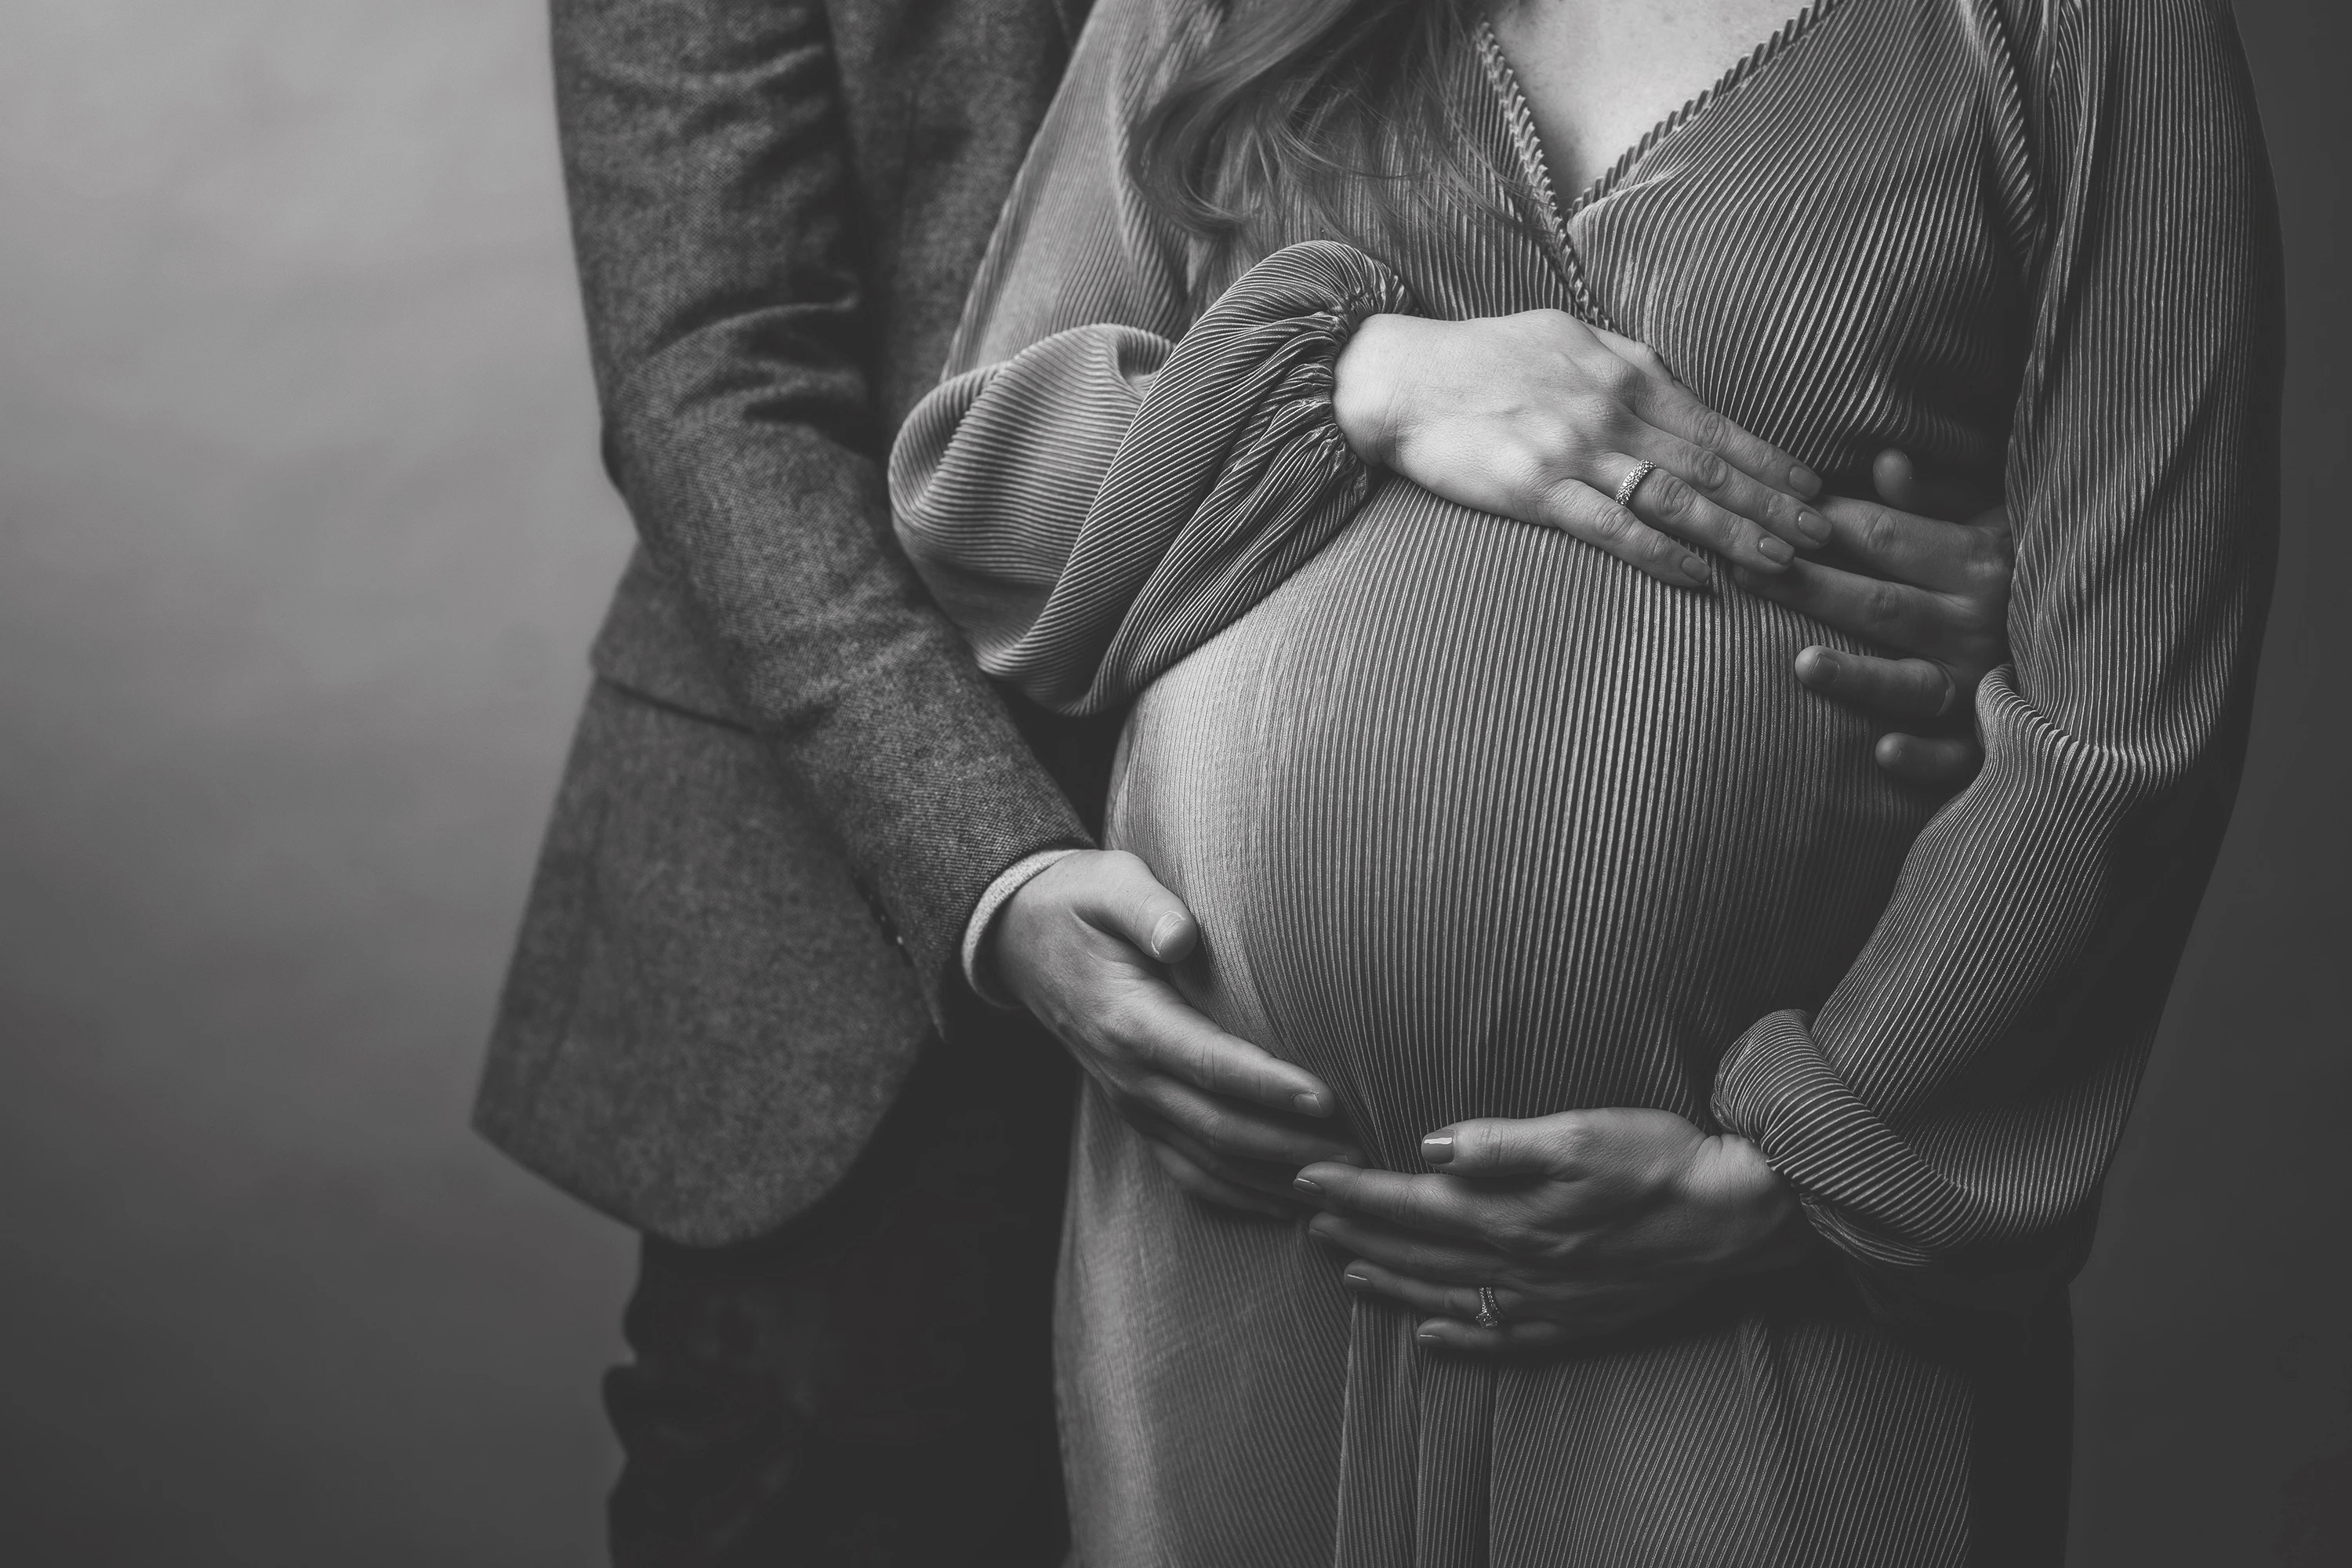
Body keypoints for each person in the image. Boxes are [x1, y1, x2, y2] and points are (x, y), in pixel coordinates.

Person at [474, 0, 2020, 1564]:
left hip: (1465, 1018)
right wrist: (988, 872)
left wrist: (1937, 565)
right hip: (881, 936)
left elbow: (1721, 200)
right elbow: (710, 388)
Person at [891, 0, 2281, 1562]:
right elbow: (982, 493)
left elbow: (2130, 720)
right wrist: (1358, 379)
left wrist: (1792, 1176)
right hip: (1249, 1242)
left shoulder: (2080, 26)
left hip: (1755, 1269)